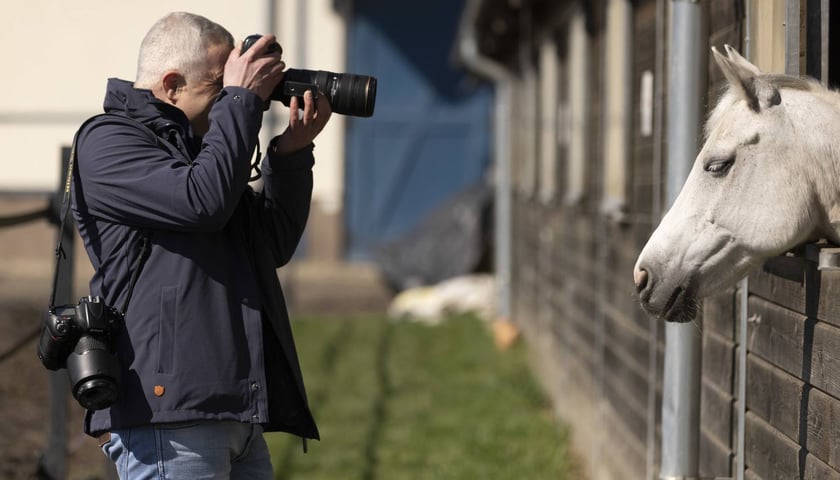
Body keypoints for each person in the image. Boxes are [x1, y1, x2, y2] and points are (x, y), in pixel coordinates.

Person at [70, 11, 332, 479]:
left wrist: (290, 154)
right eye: (222, 87)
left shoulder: (204, 153)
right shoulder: (109, 141)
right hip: (169, 418)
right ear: (172, 85)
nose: (240, 99)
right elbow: (201, 203)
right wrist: (242, 101)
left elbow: (270, 245)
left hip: (235, 408)